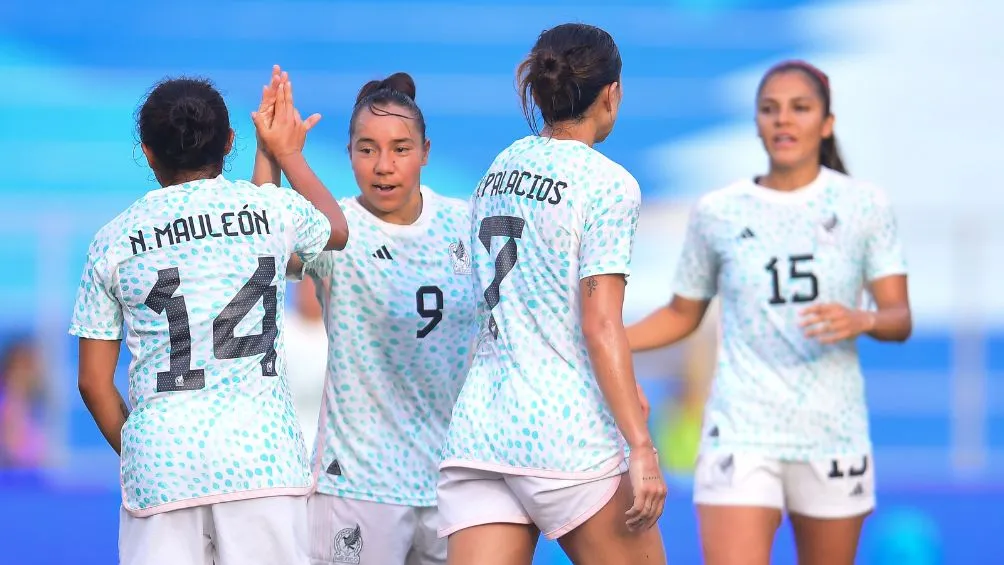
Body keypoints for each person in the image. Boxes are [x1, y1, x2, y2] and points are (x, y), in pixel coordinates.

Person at [626, 60, 913, 565]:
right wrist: (609, 340)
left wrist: (862, 319)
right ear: (757, 122)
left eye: (800, 109)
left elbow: (899, 317)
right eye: (770, 109)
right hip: (741, 428)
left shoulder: (864, 204)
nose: (784, 120)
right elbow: (682, 313)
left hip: (831, 430)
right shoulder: (720, 210)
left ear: (826, 123)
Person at [69, 69, 349, 565]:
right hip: (260, 458)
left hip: (163, 464)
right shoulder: (266, 211)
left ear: (148, 151)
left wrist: (141, 450)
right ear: (229, 142)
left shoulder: (113, 240)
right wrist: (282, 151)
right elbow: (336, 230)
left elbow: (93, 382)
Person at [436, 23, 667, 565]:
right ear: (611, 94)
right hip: (565, 434)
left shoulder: (500, 167)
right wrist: (640, 444)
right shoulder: (609, 184)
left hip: (482, 432)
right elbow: (599, 323)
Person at [258, 71, 478, 565]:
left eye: (400, 149)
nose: (384, 166)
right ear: (349, 153)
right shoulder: (335, 228)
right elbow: (264, 249)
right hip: (359, 481)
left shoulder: (466, 224)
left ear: (425, 151)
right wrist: (271, 153)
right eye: (366, 149)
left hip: (455, 480)